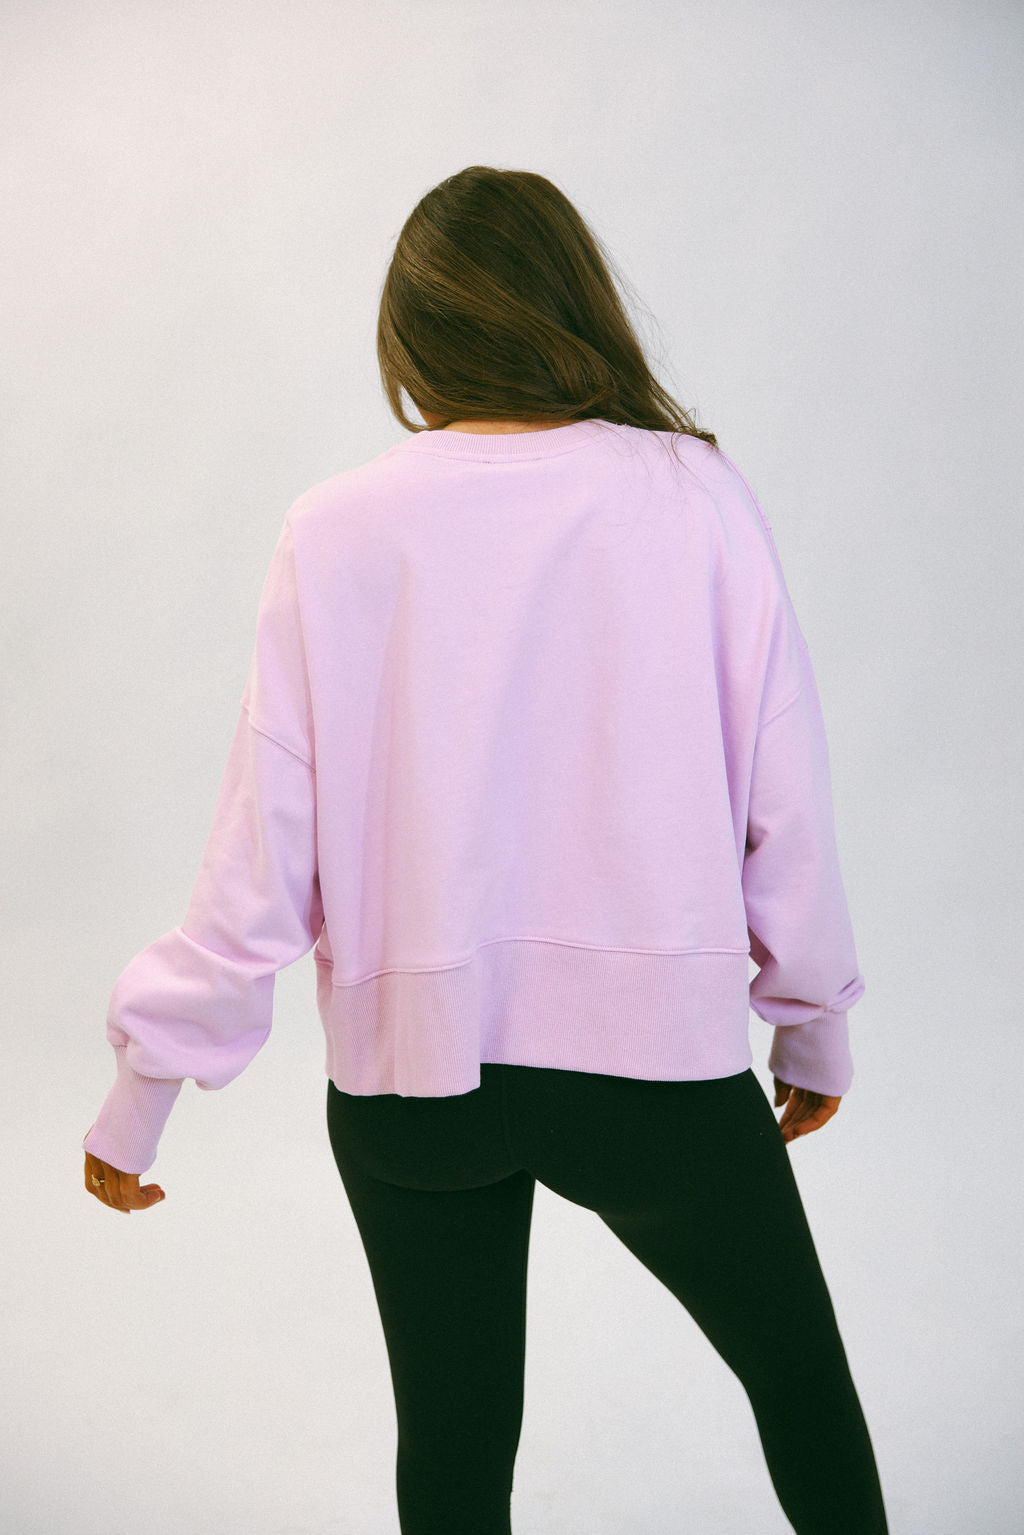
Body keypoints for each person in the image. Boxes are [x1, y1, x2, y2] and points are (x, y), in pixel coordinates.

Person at [82, 165, 890, 1534]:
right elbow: (785, 797)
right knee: (804, 1392)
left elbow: (261, 856)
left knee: (454, 1452)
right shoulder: (694, 496)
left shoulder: (335, 530)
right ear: (575, 307)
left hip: (417, 1089)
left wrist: (145, 1084)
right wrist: (811, 1025)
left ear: (414, 331)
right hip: (655, 1084)